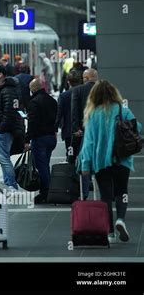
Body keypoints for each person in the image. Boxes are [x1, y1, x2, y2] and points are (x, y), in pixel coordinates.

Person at [78, 80, 142, 244]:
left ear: (95, 95)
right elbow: (138, 128)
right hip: (122, 159)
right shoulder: (123, 109)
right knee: (122, 191)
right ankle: (120, 219)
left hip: (101, 161)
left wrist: (85, 165)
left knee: (106, 196)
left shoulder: (93, 114)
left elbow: (89, 143)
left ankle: (111, 233)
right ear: (114, 93)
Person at [25, 79, 58, 203]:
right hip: (51, 137)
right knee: (45, 164)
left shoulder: (34, 102)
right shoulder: (52, 100)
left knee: (41, 167)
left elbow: (32, 123)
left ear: (33, 89)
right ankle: (45, 191)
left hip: (40, 139)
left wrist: (27, 139)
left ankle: (47, 193)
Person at [72, 68, 98, 199]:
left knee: (84, 160)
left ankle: (84, 194)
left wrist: (77, 129)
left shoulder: (78, 90)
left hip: (86, 130)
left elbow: (74, 111)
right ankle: (107, 193)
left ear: (86, 78)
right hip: (102, 131)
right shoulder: (104, 91)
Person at [55, 70, 82, 158]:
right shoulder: (85, 94)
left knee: (71, 155)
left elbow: (59, 114)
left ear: (68, 82)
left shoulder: (64, 96)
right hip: (83, 129)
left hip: (68, 130)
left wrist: (55, 129)